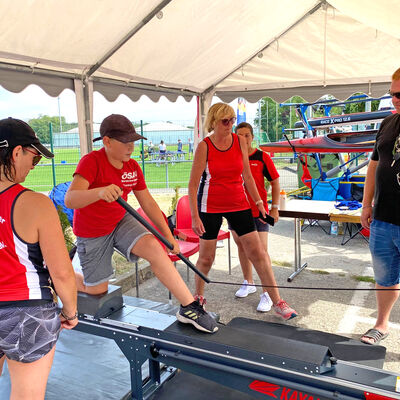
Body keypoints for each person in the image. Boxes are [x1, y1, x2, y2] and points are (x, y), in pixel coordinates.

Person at [65, 114, 217, 334]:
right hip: (92, 231)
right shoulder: (91, 161)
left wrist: (168, 236)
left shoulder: (133, 167)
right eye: (125, 142)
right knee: (97, 291)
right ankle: (58, 272)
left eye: (133, 142)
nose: (131, 147)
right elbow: (71, 199)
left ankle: (189, 307)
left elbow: (148, 203)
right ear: (107, 141)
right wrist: (98, 192)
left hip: (119, 220)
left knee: (155, 248)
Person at [188, 103, 297, 320]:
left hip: (238, 202)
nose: (229, 125)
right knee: (206, 258)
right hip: (210, 205)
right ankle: (197, 298)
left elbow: (247, 175)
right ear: (213, 122)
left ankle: (277, 301)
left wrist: (258, 201)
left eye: (231, 120)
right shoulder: (205, 146)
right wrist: (194, 216)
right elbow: (192, 185)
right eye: (224, 121)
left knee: (258, 252)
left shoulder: (238, 141)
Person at [0, 118, 78, 399]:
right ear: (16, 152)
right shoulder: (35, 203)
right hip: (27, 311)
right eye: (34, 159)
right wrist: (70, 312)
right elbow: (62, 272)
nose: (34, 168)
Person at [360, 68, 400, 345]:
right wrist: (366, 205)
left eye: (399, 93)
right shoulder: (388, 123)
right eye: (393, 93)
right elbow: (374, 165)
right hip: (384, 218)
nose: (395, 98)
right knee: (385, 276)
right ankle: (381, 323)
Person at [232, 122, 281, 312]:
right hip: (237, 212)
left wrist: (274, 208)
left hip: (259, 213)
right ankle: (248, 282)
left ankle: (267, 293)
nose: (243, 139)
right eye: (239, 135)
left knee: (261, 253)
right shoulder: (233, 157)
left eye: (246, 135)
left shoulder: (262, 157)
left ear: (252, 137)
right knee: (242, 247)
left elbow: (275, 182)